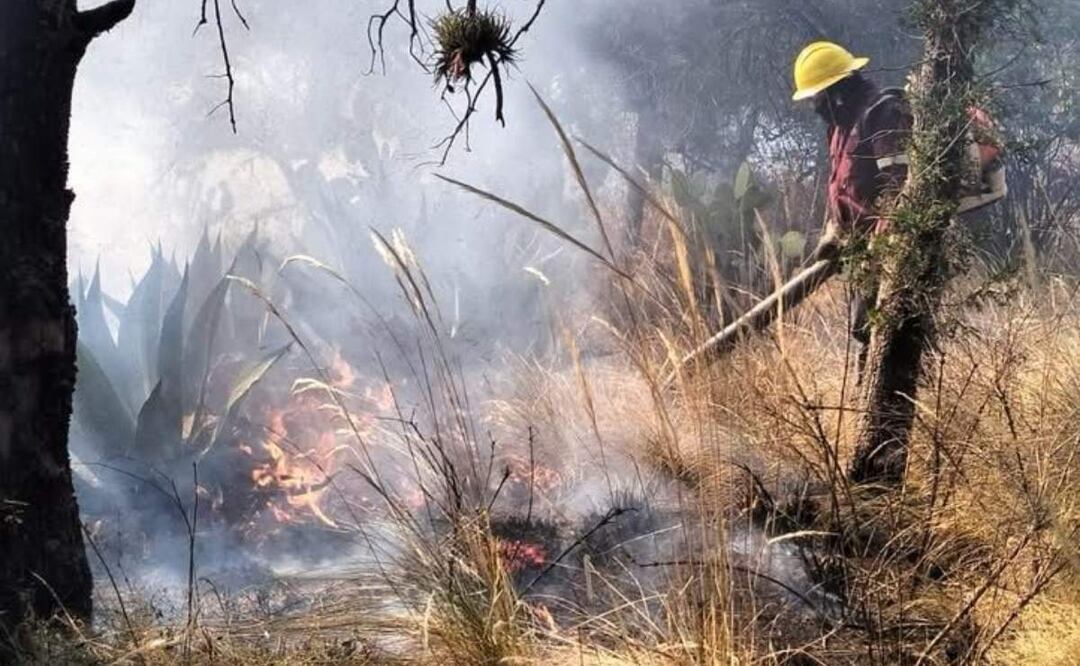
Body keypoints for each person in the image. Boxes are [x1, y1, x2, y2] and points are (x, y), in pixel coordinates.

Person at [792, 41, 912, 373]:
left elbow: (899, 188)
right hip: (864, 249)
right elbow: (843, 186)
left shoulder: (884, 115)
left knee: (882, 331)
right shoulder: (840, 126)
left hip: (891, 250)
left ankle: (884, 411)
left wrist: (880, 247)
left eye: (817, 97)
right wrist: (835, 232)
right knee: (866, 329)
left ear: (837, 91)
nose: (815, 106)